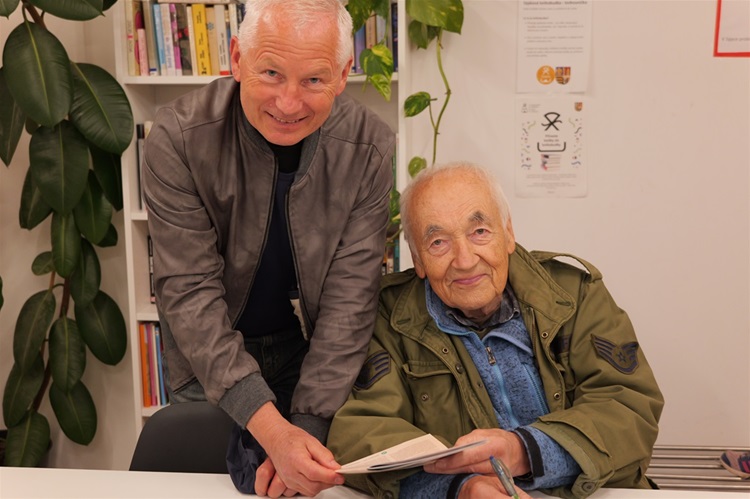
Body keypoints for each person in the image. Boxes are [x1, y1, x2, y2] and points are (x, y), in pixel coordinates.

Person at [142, 0, 395, 497]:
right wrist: (275, 434)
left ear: (343, 75)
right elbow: (189, 293)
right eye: (272, 73)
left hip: (310, 358)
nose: (289, 103)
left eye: (314, 80)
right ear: (237, 58)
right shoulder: (178, 137)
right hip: (207, 360)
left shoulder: (370, 147)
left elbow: (350, 302)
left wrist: (305, 431)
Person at [327, 161, 664, 499]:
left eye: (479, 232)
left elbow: (629, 407)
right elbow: (361, 431)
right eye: (438, 242)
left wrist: (525, 450)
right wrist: (460, 487)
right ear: (418, 259)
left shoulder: (574, 294)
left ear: (508, 233)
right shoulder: (387, 317)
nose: (465, 260)